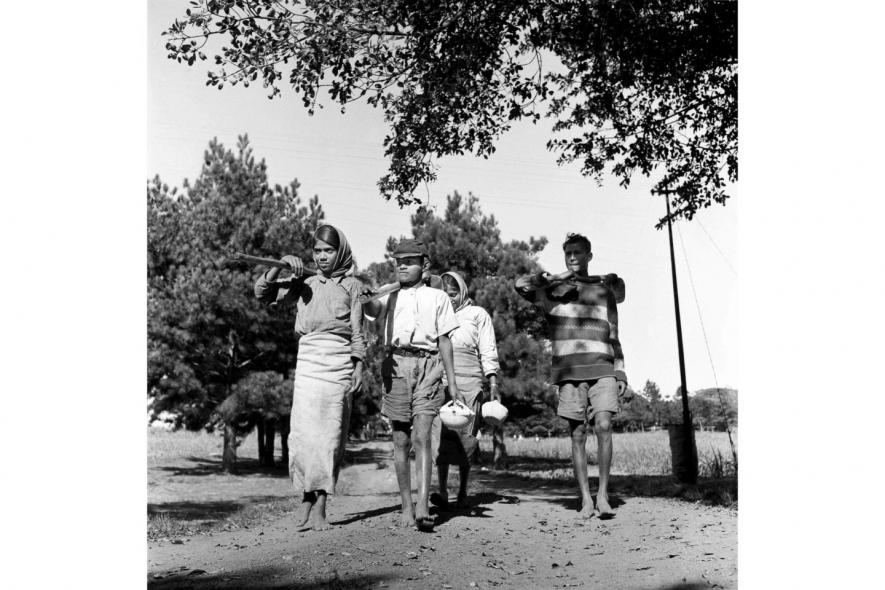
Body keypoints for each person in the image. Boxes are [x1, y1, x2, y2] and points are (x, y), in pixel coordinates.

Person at [253, 224, 365, 531]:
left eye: (329, 250)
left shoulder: (352, 286)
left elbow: (358, 330)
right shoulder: (304, 282)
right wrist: (281, 265)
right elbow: (262, 293)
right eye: (317, 251)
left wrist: (358, 365)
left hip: (338, 362)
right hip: (309, 360)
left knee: (330, 435)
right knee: (303, 433)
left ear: (340, 252)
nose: (322, 257)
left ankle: (321, 505)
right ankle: (305, 495)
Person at [515, 232, 627, 519]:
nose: (573, 257)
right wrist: (559, 276)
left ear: (589, 256)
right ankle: (586, 499)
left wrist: (620, 371)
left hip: (603, 367)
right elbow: (521, 285)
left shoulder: (604, 291)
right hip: (569, 371)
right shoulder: (552, 291)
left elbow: (614, 333)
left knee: (604, 425)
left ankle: (603, 495)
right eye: (569, 253)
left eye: (578, 253)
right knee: (577, 433)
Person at [362, 239, 463, 531]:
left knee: (423, 436)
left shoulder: (438, 297)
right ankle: (406, 505)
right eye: (398, 262)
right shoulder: (390, 294)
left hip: (429, 365)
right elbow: (373, 309)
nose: (402, 266)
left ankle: (422, 505)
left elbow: (445, 340)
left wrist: (452, 380)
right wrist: (367, 297)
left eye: (409, 261)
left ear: (424, 264)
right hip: (396, 364)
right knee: (400, 439)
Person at [431, 271, 500, 510]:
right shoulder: (437, 314)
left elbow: (488, 348)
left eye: (453, 294)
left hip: (470, 382)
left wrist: (493, 382)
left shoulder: (477, 314)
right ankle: (441, 491)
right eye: (445, 294)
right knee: (441, 437)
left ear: (462, 292)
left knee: (466, 438)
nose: (449, 299)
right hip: (442, 379)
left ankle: (462, 492)